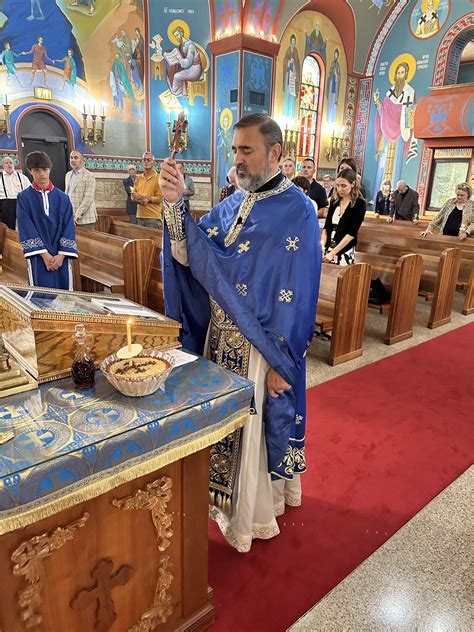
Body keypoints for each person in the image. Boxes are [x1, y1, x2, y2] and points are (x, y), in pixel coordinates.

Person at [159, 113, 321, 553]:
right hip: (221, 341)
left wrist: (282, 366)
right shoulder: (232, 202)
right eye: (235, 151)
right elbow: (194, 254)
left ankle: (251, 516)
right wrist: (175, 204)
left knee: (254, 437)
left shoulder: (299, 212)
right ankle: (222, 506)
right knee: (224, 434)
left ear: (276, 154)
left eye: (246, 150)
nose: (238, 160)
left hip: (262, 349)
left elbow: (300, 294)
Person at [17, 151, 77, 290]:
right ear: (30, 171)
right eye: (37, 170)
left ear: (50, 169)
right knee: (41, 294)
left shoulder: (63, 198)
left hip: (61, 254)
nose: (42, 174)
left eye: (45, 169)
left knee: (64, 295)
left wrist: (61, 255)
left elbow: (68, 226)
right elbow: (26, 226)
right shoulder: (24, 198)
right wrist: (44, 255)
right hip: (39, 256)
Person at [321, 167, 366, 265]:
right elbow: (326, 227)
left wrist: (333, 253)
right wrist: (322, 247)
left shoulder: (359, 204)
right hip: (328, 248)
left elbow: (351, 233)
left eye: (343, 186)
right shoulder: (334, 201)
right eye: (337, 185)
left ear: (353, 184)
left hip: (344, 250)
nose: (340, 189)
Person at [165, 25, 202, 98]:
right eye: (175, 36)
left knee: (176, 76)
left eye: (178, 35)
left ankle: (175, 93)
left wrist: (179, 58)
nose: (177, 37)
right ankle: (177, 92)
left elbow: (188, 63)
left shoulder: (190, 45)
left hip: (195, 69)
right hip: (189, 69)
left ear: (181, 33)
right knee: (174, 71)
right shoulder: (181, 45)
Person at [65, 151, 97, 229]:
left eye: (76, 158)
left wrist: (77, 215)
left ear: (82, 160)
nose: (72, 160)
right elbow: (67, 195)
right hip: (70, 218)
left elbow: (88, 198)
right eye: (71, 158)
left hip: (85, 219)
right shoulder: (68, 175)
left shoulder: (89, 175)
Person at [132, 152, 163, 229]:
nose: (146, 162)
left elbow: (160, 198)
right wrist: (139, 201)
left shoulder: (159, 178)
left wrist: (144, 198)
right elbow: (133, 196)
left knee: (153, 241)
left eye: (149, 160)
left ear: (154, 162)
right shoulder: (138, 178)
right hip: (140, 216)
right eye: (144, 160)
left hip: (153, 218)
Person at [0, 156, 31, 229]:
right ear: (3, 165)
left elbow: (30, 190)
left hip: (22, 202)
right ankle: (10, 239)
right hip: (7, 203)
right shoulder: (0, 178)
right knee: (9, 227)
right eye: (6, 163)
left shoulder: (22, 177)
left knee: (25, 224)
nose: (9, 165)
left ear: (14, 164)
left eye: (11, 163)